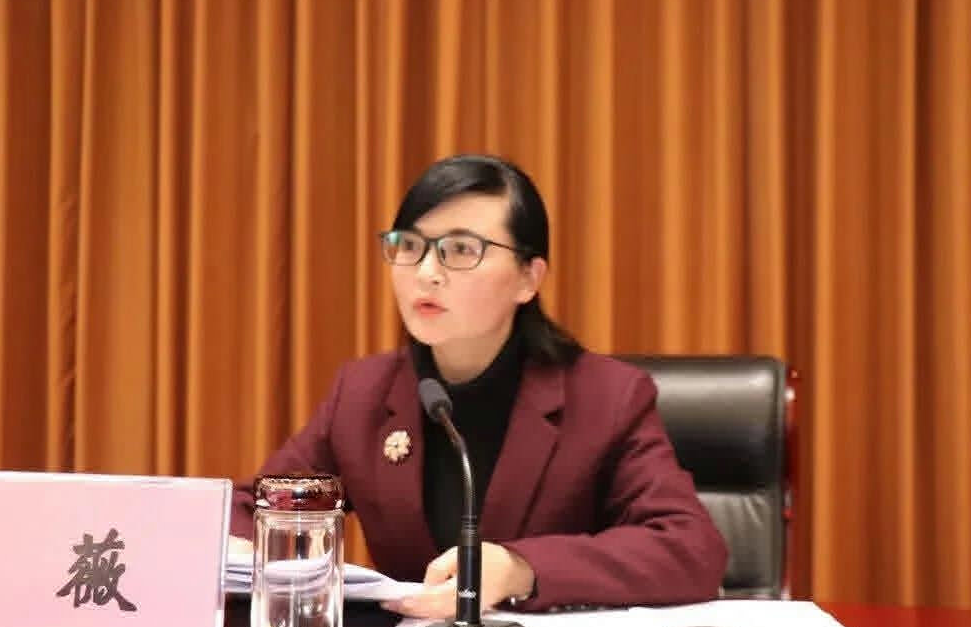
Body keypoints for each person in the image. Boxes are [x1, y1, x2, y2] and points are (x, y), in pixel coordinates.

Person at [229, 154, 728, 618]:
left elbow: (690, 547)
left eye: (461, 250)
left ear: (528, 279)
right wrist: (241, 547)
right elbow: (254, 507)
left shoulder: (607, 398)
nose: (427, 273)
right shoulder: (364, 393)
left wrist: (521, 569)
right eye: (410, 246)